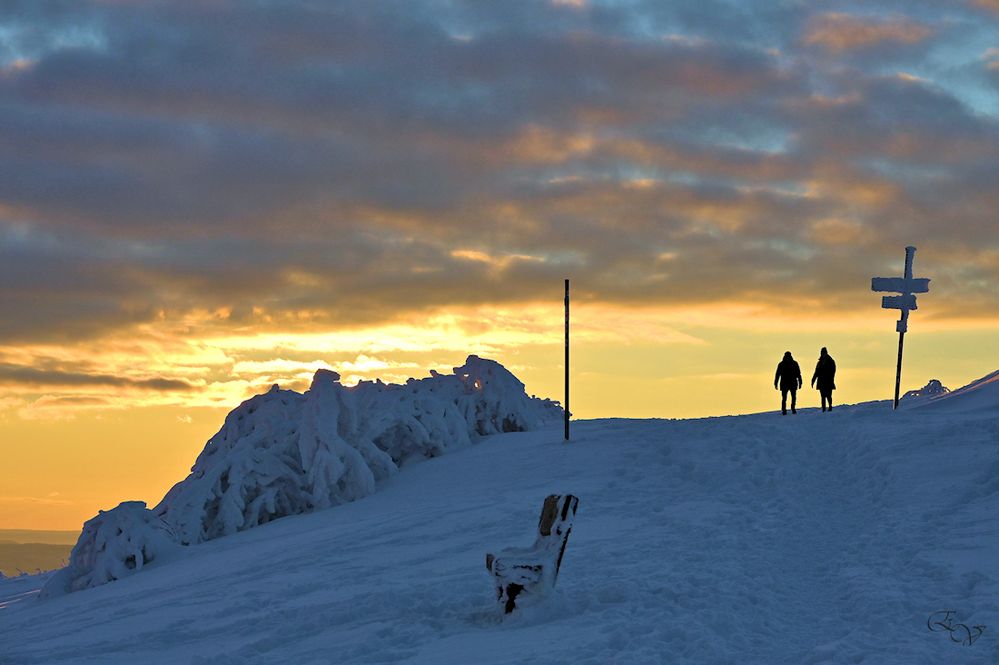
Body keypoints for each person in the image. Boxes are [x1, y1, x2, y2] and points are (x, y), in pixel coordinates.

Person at [774, 351, 802, 415]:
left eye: (789, 356)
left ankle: (793, 408)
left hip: (793, 383)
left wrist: (800, 382)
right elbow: (777, 374)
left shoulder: (795, 363)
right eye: (787, 356)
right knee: (784, 398)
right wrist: (776, 383)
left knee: (793, 397)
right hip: (784, 384)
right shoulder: (781, 364)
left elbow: (798, 374)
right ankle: (784, 410)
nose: (788, 358)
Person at [811, 347, 837, 412]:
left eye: (824, 353)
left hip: (828, 381)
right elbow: (816, 372)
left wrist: (831, 379)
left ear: (826, 353)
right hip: (821, 381)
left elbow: (833, 371)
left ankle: (830, 406)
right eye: (822, 353)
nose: (823, 354)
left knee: (828, 395)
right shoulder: (819, 362)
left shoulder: (831, 361)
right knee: (822, 396)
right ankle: (823, 409)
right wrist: (813, 380)